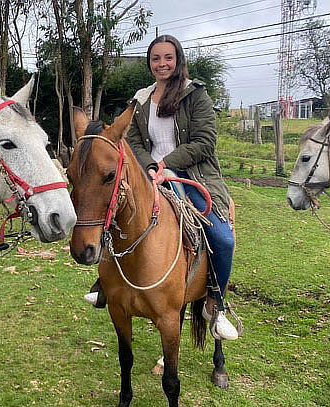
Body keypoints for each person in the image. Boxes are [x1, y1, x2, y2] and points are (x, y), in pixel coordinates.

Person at [85, 34, 239, 341]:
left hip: (192, 175)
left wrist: (168, 164)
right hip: (147, 174)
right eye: (156, 58)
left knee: (223, 239)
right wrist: (152, 167)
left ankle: (216, 302)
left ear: (178, 60)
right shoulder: (141, 99)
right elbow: (130, 140)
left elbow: (205, 141)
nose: (162, 64)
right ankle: (107, 283)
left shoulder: (196, 95)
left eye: (168, 57)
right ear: (149, 63)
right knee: (109, 213)